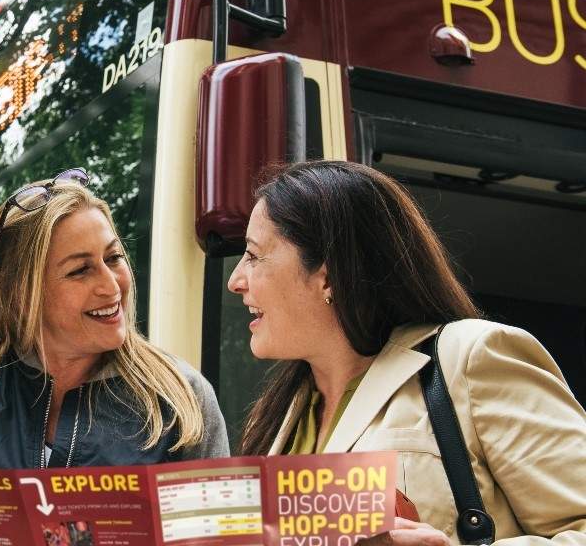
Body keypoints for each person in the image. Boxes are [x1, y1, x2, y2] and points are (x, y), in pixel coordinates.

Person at [228, 160, 586, 545]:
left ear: (327, 274)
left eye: (253, 255)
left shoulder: (469, 357)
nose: (236, 281)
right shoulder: (274, 419)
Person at [0, 168, 229, 468]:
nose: (110, 285)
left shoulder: (181, 394)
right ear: (20, 294)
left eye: (113, 257)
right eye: (80, 270)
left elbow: (217, 527)